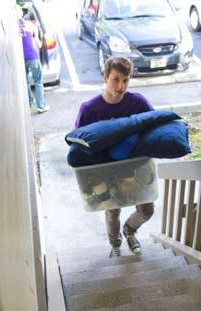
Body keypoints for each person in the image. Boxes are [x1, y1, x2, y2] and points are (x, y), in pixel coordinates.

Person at [75, 57, 154, 258]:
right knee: (112, 213)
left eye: (126, 80)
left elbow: (155, 127)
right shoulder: (89, 110)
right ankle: (115, 243)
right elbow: (79, 144)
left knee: (146, 211)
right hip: (106, 171)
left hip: (135, 168)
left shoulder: (138, 102)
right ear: (105, 78)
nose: (121, 86)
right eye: (116, 79)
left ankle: (129, 230)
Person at [19, 9, 50, 113]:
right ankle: (41, 106)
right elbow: (39, 44)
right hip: (33, 56)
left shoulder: (18, 25)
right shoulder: (32, 26)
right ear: (34, 21)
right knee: (38, 81)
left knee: (25, 81)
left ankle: (29, 102)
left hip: (21, 58)